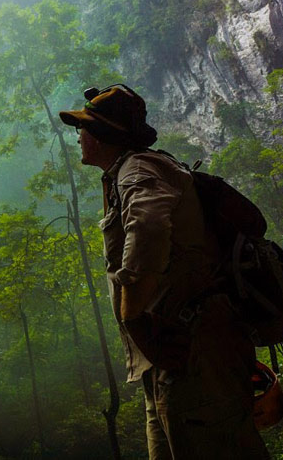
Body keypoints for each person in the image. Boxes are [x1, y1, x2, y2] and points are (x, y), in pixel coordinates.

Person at [59, 84, 269, 459]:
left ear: (105, 134)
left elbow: (150, 229)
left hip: (192, 347)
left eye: (84, 128)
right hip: (167, 354)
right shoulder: (128, 172)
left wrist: (133, 317)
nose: (79, 137)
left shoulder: (137, 168)